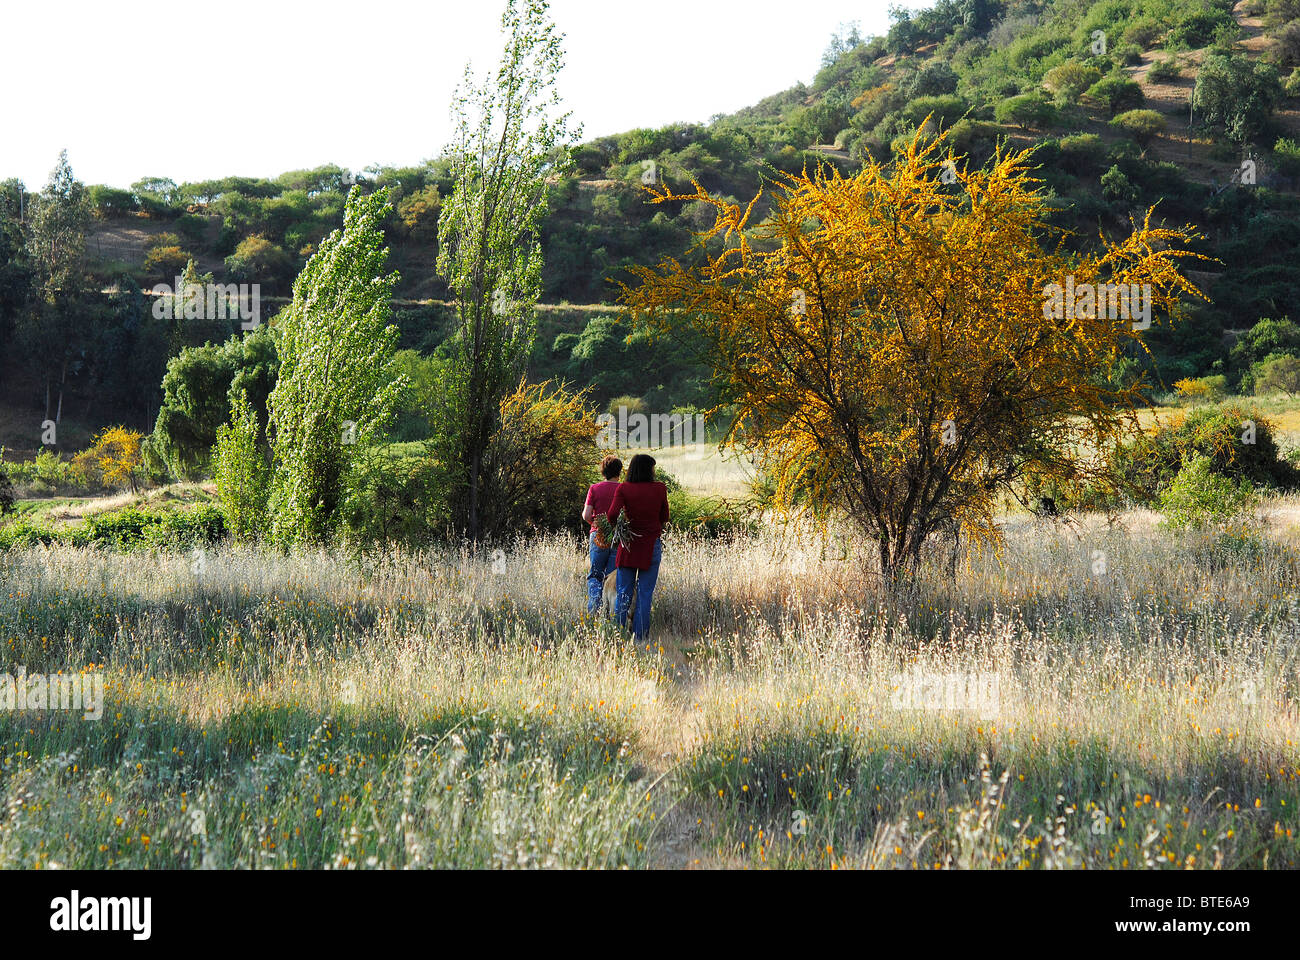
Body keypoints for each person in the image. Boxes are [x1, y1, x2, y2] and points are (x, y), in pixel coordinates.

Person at [606, 453, 669, 642]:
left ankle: (618, 635)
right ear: (648, 470)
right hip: (651, 545)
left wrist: (623, 527)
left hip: (629, 546)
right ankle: (640, 637)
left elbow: (611, 515)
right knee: (645, 593)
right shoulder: (659, 488)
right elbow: (664, 517)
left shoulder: (624, 488)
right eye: (652, 468)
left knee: (623, 591)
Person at [581, 455, 623, 614]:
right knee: (612, 577)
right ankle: (611, 614)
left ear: (603, 471)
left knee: (595, 576)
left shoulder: (594, 488)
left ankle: (593, 612)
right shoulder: (623, 489)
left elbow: (586, 515)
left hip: (598, 536)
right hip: (617, 537)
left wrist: (597, 525)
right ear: (619, 471)